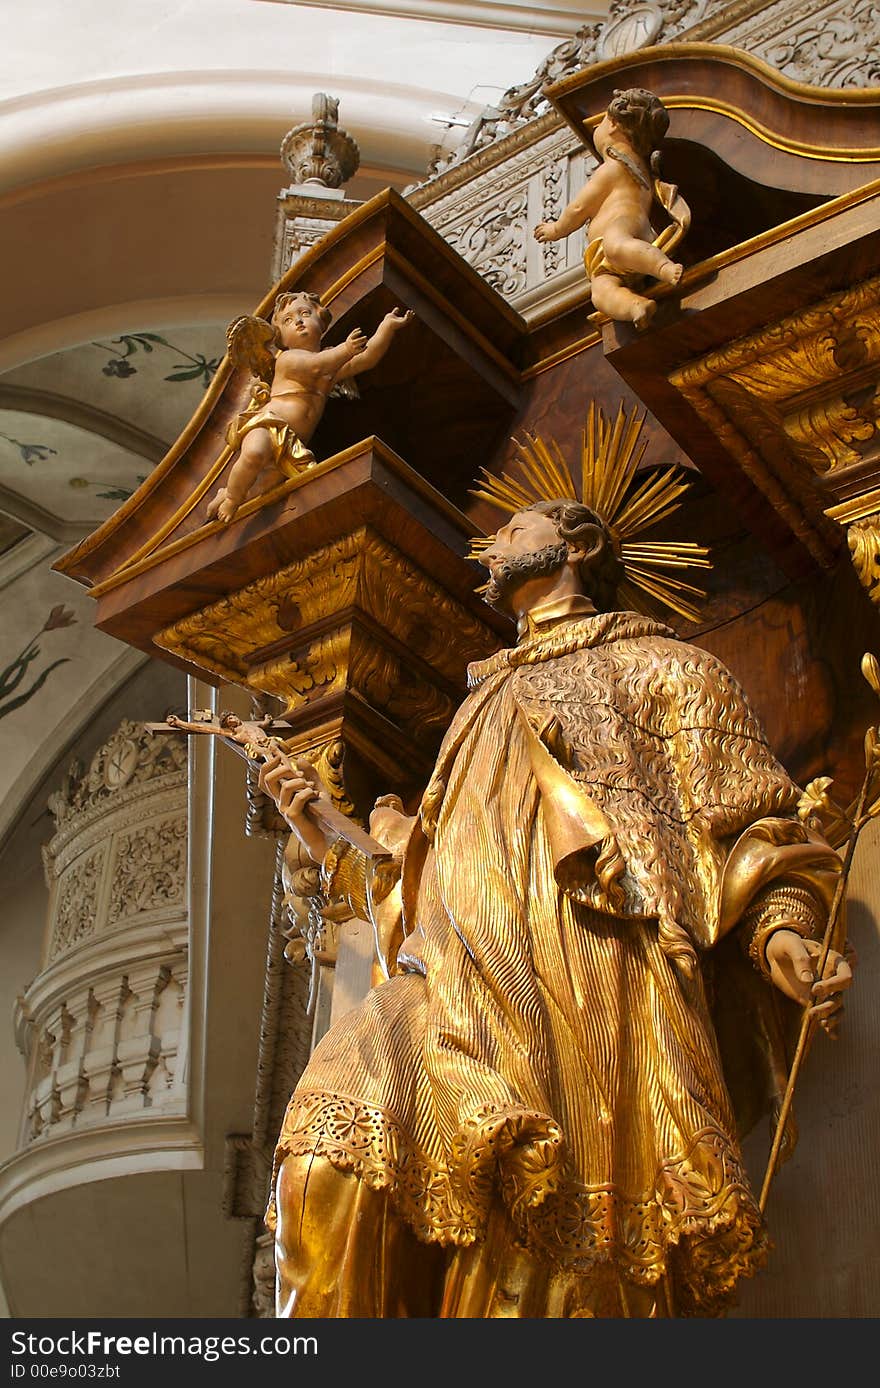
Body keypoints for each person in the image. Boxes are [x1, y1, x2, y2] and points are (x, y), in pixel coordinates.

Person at [258, 498, 852, 1318]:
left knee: (531, 1263)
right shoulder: (477, 706)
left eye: (510, 529)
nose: (487, 544)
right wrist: (322, 836)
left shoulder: (664, 668)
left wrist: (784, 926)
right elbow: (422, 883)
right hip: (449, 985)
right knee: (321, 1166)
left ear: (577, 543)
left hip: (587, 980)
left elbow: (750, 820)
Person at [207, 293, 413, 523]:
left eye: (305, 313)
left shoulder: (330, 365)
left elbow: (366, 358)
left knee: (263, 489)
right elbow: (314, 367)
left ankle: (223, 495)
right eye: (288, 320)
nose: (298, 321)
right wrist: (345, 349)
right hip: (268, 423)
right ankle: (232, 499)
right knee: (254, 455)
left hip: (294, 442)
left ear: (321, 320)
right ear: (281, 338)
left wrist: (386, 327)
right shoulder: (287, 359)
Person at [534, 89, 689, 330]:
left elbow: (578, 208)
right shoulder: (643, 174)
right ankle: (636, 306)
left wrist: (555, 229)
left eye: (602, 122)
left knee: (615, 245)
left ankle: (663, 268)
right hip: (615, 253)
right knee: (600, 291)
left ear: (614, 125)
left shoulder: (613, 169)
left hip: (623, 228)